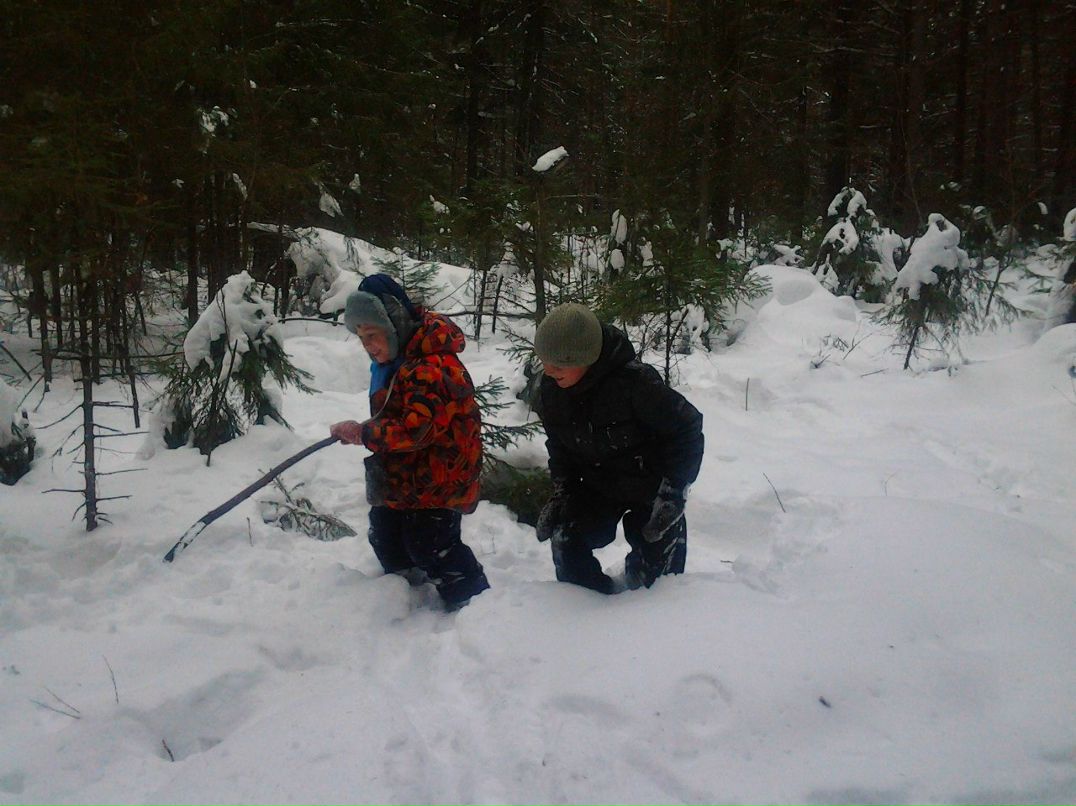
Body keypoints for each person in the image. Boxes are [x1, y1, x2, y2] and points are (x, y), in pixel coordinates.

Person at [330, 273, 489, 610]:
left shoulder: (432, 366)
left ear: (395, 325)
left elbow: (416, 430)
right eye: (362, 339)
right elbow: (392, 416)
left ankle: (473, 599)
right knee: (385, 534)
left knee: (431, 543)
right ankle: (404, 590)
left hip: (441, 478)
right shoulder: (396, 363)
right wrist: (364, 429)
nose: (369, 346)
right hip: (408, 475)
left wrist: (366, 433)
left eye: (373, 335)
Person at [533, 303, 704, 594]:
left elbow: (686, 428)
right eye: (544, 361)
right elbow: (559, 445)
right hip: (597, 485)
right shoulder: (552, 391)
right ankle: (588, 604)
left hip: (650, 486)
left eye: (559, 364)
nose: (549, 371)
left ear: (586, 359)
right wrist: (564, 490)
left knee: (660, 585)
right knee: (566, 538)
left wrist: (673, 491)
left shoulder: (636, 385)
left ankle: (646, 602)